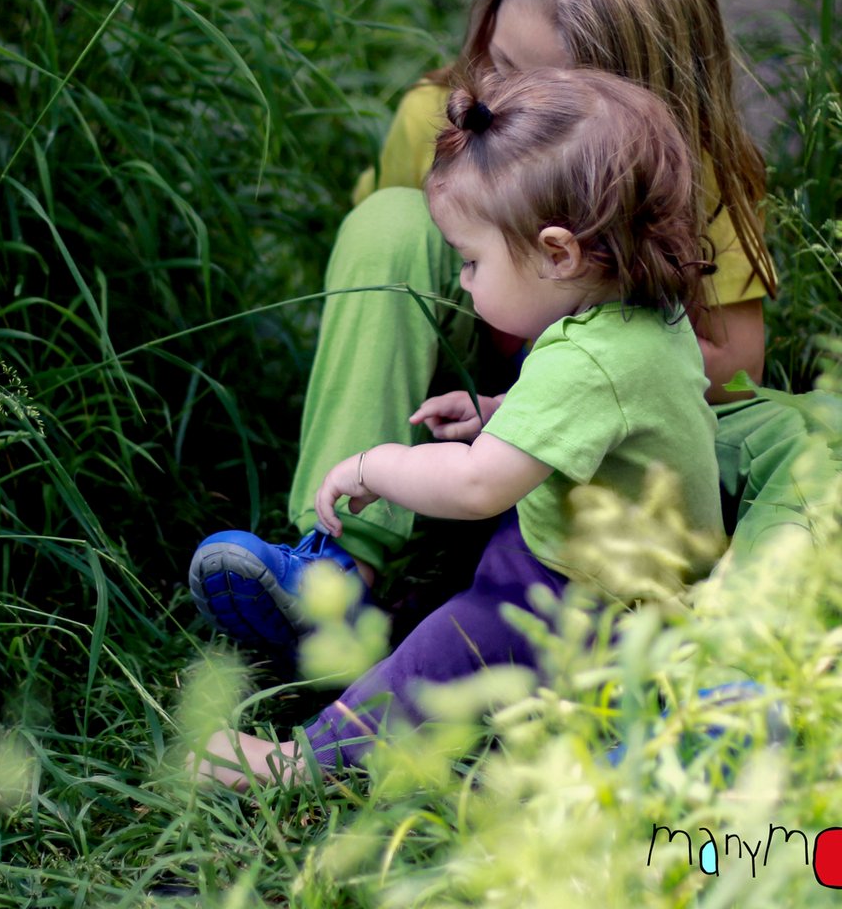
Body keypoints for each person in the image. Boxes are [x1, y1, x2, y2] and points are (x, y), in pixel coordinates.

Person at [190, 0, 810, 656]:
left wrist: (549, 404)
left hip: (623, 445)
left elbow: (735, 365)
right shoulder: (445, 118)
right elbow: (391, 278)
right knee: (386, 221)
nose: (503, 100)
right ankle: (338, 571)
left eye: (551, 88)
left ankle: (740, 623)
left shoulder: (687, 168)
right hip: (464, 421)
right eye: (499, 61)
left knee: (796, 430)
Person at [195, 66, 727, 785]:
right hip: (639, 577)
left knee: (450, 651)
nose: (466, 281)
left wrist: (373, 466)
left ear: (559, 251)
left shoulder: (587, 358)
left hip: (589, 602)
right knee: (462, 603)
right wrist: (499, 414)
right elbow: (607, 420)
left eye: (472, 261)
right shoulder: (643, 316)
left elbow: (479, 487)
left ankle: (300, 764)